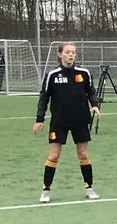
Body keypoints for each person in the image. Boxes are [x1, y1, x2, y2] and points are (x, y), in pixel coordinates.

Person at [32, 42, 102, 203]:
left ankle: (89, 188)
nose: (71, 55)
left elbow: (91, 92)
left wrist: (95, 105)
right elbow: (44, 97)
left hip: (80, 120)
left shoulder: (83, 73)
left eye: (73, 52)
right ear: (60, 54)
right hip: (59, 122)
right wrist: (39, 119)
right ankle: (46, 190)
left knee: (83, 154)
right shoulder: (52, 75)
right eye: (68, 52)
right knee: (54, 155)